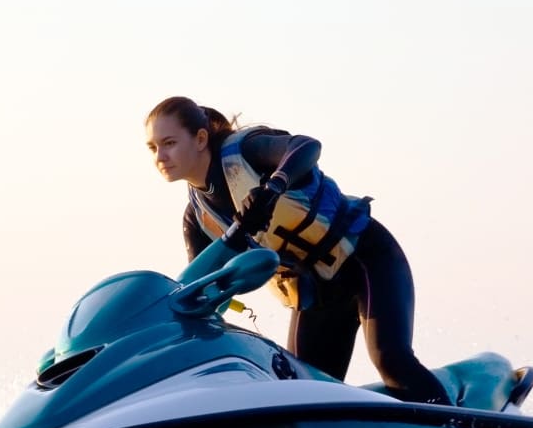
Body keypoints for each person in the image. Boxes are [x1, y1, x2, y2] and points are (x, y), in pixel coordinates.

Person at [144, 96, 451, 406]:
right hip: (316, 294)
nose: (161, 156)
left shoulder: (245, 151)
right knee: (304, 394)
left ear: (200, 139)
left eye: (169, 143)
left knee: (392, 360)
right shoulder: (197, 218)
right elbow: (204, 292)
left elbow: (307, 146)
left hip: (365, 258)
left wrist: (274, 187)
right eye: (153, 148)